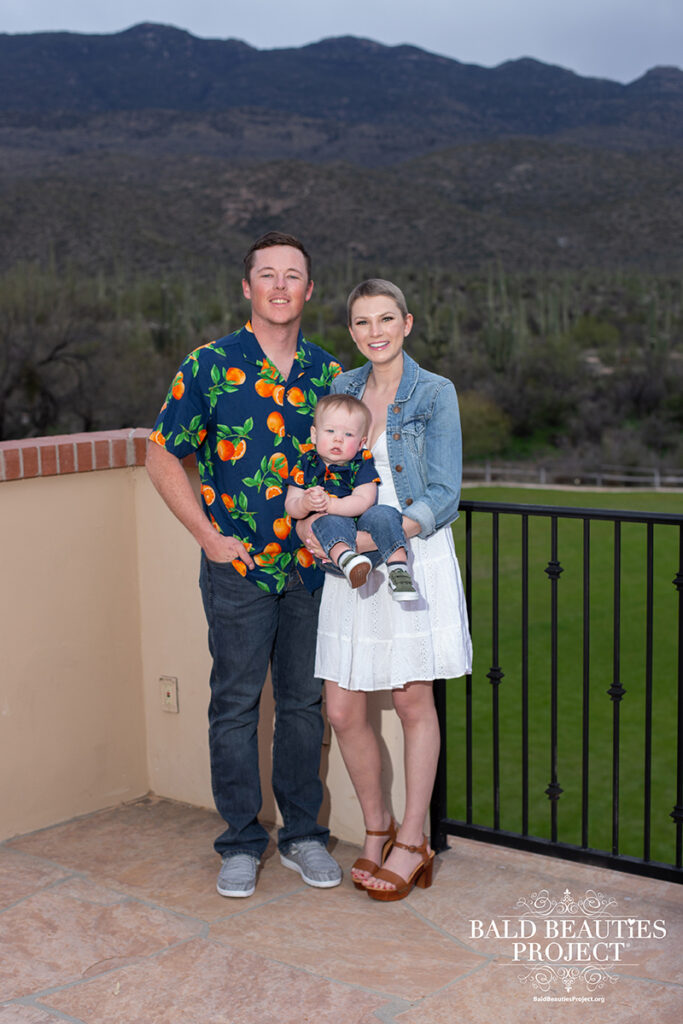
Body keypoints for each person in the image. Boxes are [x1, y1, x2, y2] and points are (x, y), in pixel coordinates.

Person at [145, 231, 344, 898]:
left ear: (309, 290)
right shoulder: (208, 366)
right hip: (237, 569)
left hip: (310, 570)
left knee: (303, 705)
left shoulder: (328, 374)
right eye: (267, 274)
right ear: (247, 287)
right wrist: (206, 536)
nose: (280, 286)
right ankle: (238, 841)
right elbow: (161, 453)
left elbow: (350, 464)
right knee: (234, 704)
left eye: (292, 276)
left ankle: (303, 835)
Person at [304, 278, 472, 901]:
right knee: (342, 710)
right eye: (362, 322)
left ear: (407, 323)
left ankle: (413, 840)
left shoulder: (435, 392)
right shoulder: (341, 388)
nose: (374, 332)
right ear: (351, 331)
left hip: (408, 554)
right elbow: (320, 468)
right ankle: (376, 827)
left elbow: (445, 493)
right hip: (348, 563)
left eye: (385, 319)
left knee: (411, 703)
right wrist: (312, 522)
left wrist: (381, 538)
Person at [285, 393, 418, 600]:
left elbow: (364, 500)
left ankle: (399, 570)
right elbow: (291, 506)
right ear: (314, 434)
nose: (338, 438)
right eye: (330, 431)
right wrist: (304, 503)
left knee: (385, 513)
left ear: (361, 442)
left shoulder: (360, 462)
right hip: (329, 550)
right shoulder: (306, 464)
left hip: (367, 536)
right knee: (326, 521)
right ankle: (347, 560)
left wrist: (330, 504)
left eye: (348, 434)